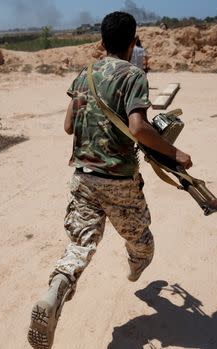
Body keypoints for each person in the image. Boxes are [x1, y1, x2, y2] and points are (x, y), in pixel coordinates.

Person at [27, 11, 192, 349]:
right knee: (142, 240)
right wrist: (176, 154)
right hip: (118, 180)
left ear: (101, 42)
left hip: (83, 178)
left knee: (80, 244)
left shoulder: (83, 74)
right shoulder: (134, 75)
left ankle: (56, 288)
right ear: (133, 42)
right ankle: (136, 264)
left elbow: (68, 127)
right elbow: (138, 128)